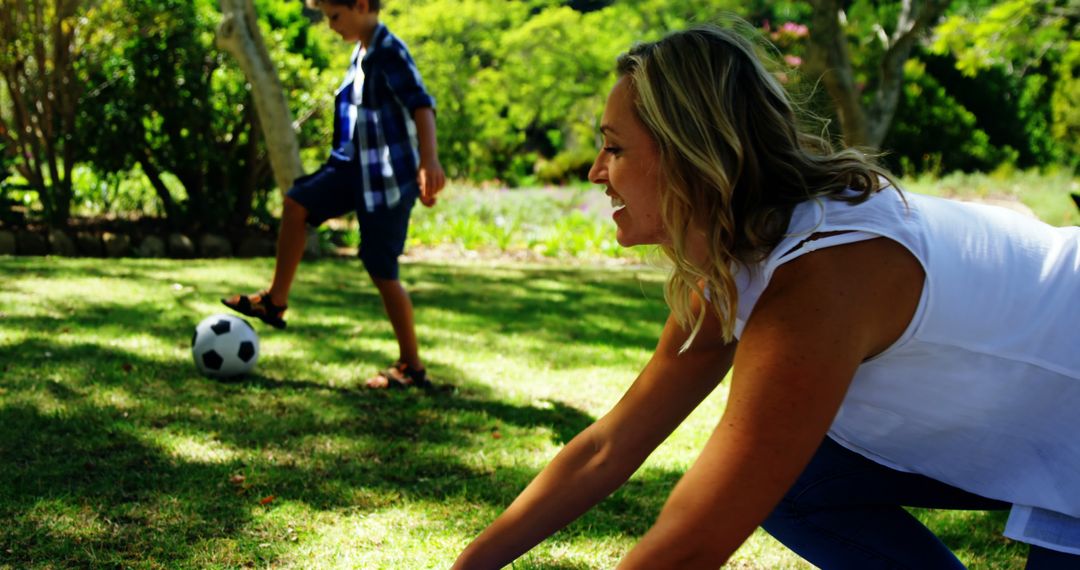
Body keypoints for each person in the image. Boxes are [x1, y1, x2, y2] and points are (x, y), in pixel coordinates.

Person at [452, 25, 1080, 569]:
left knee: (768, 471)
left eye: (614, 147)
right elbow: (605, 449)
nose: (595, 170)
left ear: (690, 156)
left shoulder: (820, 278)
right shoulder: (738, 260)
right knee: (790, 476)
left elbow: (692, 542)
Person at [223, 0, 445, 389]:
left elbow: (422, 106)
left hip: (387, 179)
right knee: (297, 202)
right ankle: (275, 300)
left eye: (335, 16)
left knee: (381, 267)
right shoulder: (361, 50)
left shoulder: (389, 49)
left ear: (362, 5)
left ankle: (412, 366)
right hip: (350, 168)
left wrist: (429, 162)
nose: (330, 25)